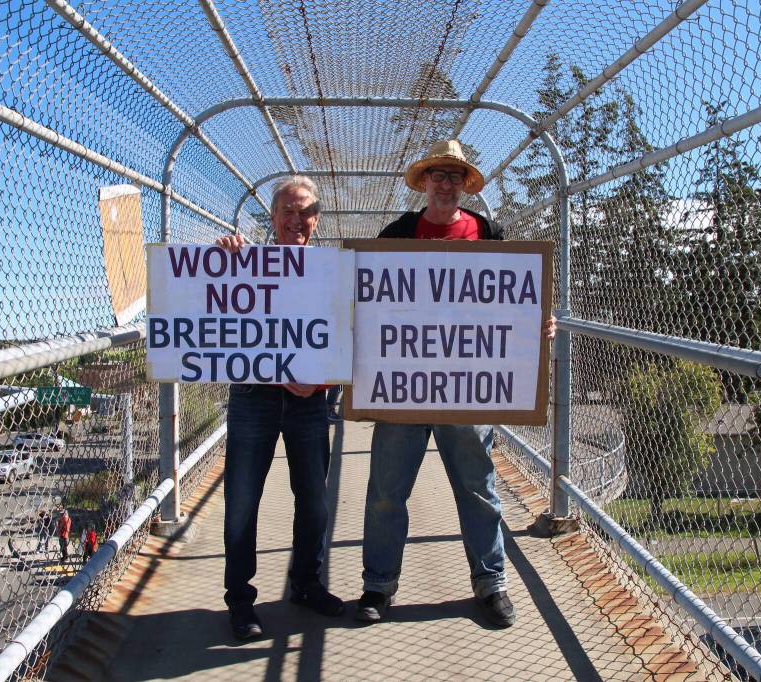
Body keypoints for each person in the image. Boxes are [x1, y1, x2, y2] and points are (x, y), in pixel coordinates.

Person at [354, 140, 556, 628]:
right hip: (403, 386)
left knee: (477, 487)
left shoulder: (489, 234)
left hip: (467, 385)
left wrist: (537, 321)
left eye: (454, 176)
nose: (445, 184)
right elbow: (368, 301)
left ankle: (491, 585)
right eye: (437, 175)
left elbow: (515, 298)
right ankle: (378, 586)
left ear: (465, 186)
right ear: (423, 183)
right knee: (386, 490)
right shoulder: (396, 234)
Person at [216, 176, 343, 640]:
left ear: (317, 218)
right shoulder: (245, 263)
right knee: (242, 501)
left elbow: (347, 331)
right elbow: (213, 309)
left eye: (305, 210)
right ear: (273, 218)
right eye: (286, 211)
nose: (296, 219)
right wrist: (224, 262)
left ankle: (306, 583)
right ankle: (239, 601)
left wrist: (321, 381)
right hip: (253, 397)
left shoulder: (333, 269)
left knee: (313, 500)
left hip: (310, 401)